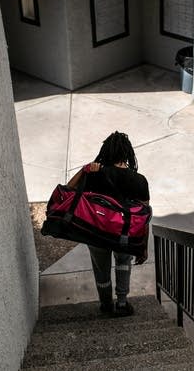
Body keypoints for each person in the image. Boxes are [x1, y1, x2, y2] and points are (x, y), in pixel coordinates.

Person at [66, 131, 150, 316]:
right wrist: (143, 246)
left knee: (101, 269)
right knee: (123, 263)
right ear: (128, 154)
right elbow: (145, 217)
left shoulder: (94, 175)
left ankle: (105, 304)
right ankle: (121, 303)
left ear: (105, 152)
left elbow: (68, 191)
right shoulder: (139, 180)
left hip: (96, 233)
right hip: (124, 234)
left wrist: (84, 170)